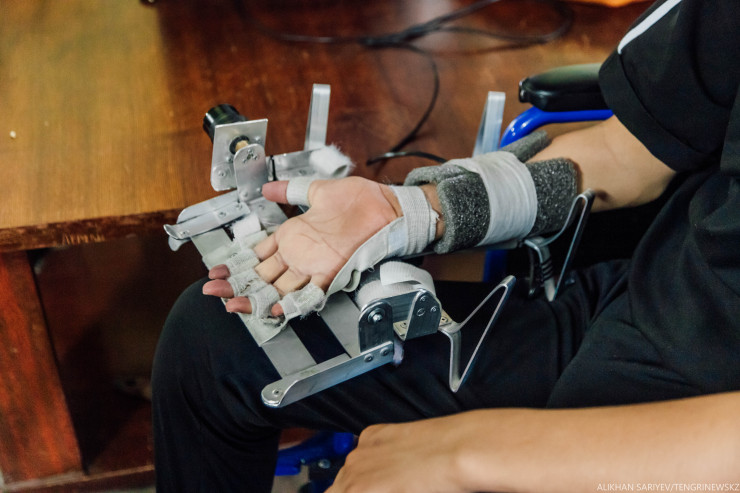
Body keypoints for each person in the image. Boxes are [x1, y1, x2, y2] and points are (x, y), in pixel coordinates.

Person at [151, 0, 740, 491]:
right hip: (650, 305)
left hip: (695, 438)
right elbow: (628, 152)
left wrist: (466, 452)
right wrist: (412, 212)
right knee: (211, 341)